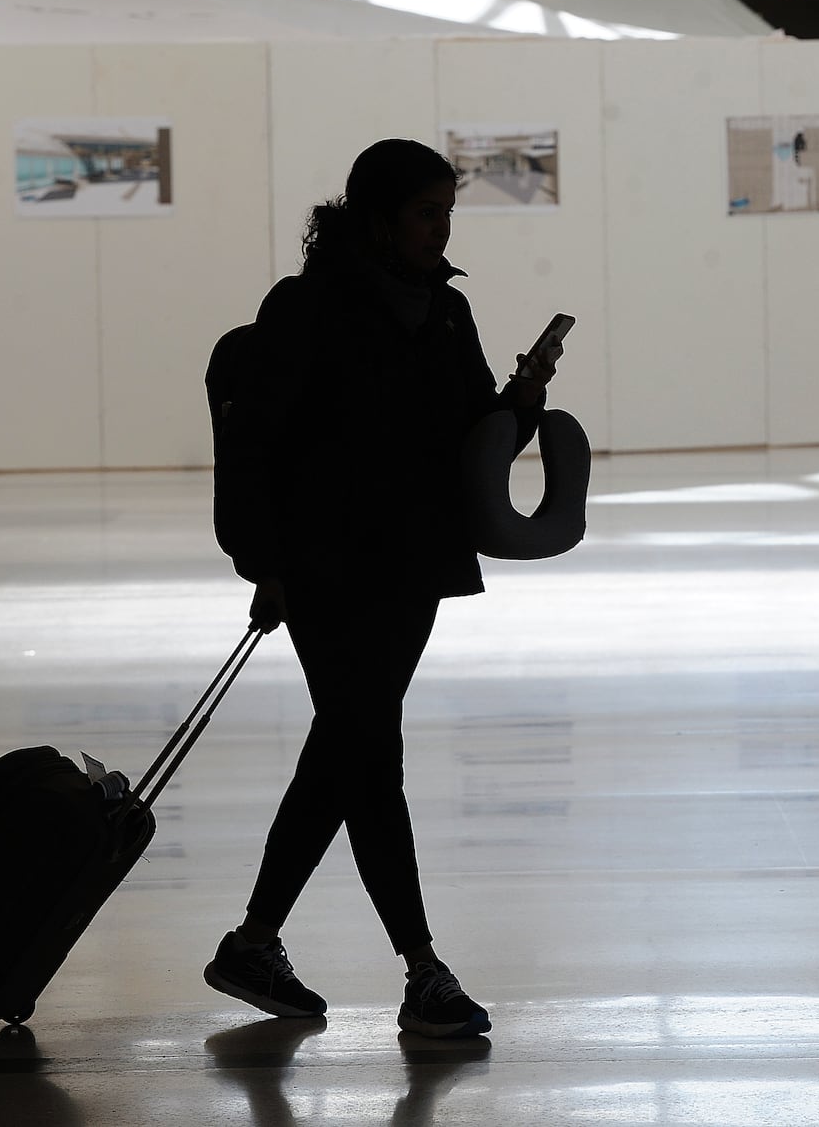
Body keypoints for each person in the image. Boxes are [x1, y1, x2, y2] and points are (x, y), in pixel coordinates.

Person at [204, 139, 561, 1039]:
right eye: (426, 214)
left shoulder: (446, 312)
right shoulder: (307, 309)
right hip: (325, 568)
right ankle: (423, 970)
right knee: (370, 751)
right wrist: (263, 561)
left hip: (413, 566)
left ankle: (254, 942)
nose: (442, 231)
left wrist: (520, 402)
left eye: (447, 213)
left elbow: (470, 434)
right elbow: (256, 449)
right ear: (376, 220)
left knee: (346, 750)